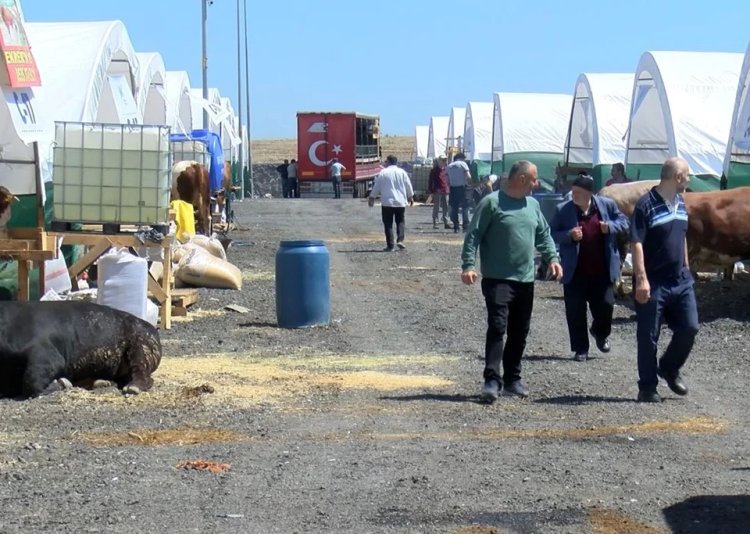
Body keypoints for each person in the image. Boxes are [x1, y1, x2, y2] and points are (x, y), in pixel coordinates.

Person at [461, 160, 563, 402]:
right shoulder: (492, 203)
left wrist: (553, 258)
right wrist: (468, 265)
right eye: (535, 179)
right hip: (497, 279)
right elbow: (473, 234)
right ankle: (491, 381)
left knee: (520, 331)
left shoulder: (533, 205)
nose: (537, 184)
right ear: (522, 179)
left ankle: (512, 380)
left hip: (525, 279)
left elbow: (544, 234)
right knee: (497, 327)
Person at [630, 157, 698, 403]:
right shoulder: (645, 206)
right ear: (677, 177)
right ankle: (647, 387)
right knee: (648, 334)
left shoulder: (680, 202)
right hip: (654, 280)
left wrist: (687, 266)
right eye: (687, 175)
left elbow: (682, 236)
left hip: (681, 279)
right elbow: (636, 243)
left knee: (690, 327)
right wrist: (641, 279)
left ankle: (669, 367)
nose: (689, 180)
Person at [550, 174, 629, 362]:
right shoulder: (563, 210)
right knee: (575, 311)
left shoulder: (606, 206)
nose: (573, 195)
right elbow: (551, 233)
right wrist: (569, 235)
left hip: (601, 270)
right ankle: (580, 349)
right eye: (573, 192)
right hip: (575, 271)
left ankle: (600, 333)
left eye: (577, 192)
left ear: (588, 193)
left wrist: (609, 227)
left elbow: (624, 222)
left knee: (606, 306)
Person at [368, 155, 414, 251]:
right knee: (400, 221)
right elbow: (408, 185)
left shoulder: (383, 173)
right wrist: (410, 196)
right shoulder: (402, 172)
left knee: (388, 223)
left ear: (388, 162)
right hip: (400, 202)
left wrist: (372, 197)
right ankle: (400, 239)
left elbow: (377, 186)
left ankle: (390, 245)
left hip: (387, 203)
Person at [447, 152, 472, 233]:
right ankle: (465, 226)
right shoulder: (463, 164)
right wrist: (469, 183)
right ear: (462, 158)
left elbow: (447, 180)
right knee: (465, 207)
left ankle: (456, 226)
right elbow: (468, 176)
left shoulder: (449, 166)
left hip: (453, 188)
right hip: (462, 188)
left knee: (454, 207)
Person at [428, 157, 450, 229]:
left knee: (446, 206)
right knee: (436, 207)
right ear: (439, 161)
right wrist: (431, 190)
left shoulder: (447, 169)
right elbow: (430, 181)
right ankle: (435, 222)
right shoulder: (434, 170)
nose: (444, 161)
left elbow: (449, 179)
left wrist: (449, 187)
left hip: (446, 190)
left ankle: (446, 222)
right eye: (443, 160)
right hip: (437, 190)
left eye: (445, 160)